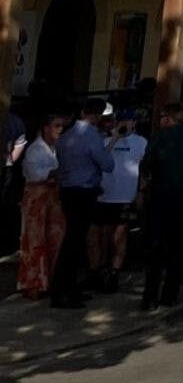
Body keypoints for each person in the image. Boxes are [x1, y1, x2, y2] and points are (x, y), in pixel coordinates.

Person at [140, 103, 183, 310]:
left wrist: (142, 189)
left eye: (163, 117)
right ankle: (170, 294)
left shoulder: (160, 138)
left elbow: (146, 165)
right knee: (176, 247)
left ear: (169, 118)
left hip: (160, 195)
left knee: (155, 247)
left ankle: (150, 296)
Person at [52, 99, 114, 307]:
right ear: (97, 116)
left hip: (67, 190)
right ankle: (63, 291)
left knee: (72, 239)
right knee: (74, 242)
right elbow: (107, 164)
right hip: (84, 191)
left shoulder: (66, 136)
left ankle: (68, 288)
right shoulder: (92, 136)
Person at [93, 111, 146, 293]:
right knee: (104, 235)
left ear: (134, 122)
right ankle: (101, 270)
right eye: (121, 120)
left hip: (126, 195)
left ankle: (115, 272)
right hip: (105, 195)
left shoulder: (141, 142)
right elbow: (99, 160)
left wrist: (141, 191)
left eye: (129, 120)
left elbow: (145, 168)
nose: (125, 123)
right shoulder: (106, 141)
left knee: (120, 234)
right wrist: (115, 138)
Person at [18, 114, 66, 299]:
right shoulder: (35, 149)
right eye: (56, 125)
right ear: (46, 127)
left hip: (53, 198)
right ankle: (33, 283)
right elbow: (35, 174)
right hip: (36, 199)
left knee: (55, 238)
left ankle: (51, 280)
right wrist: (56, 173)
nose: (60, 130)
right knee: (34, 241)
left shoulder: (56, 149)